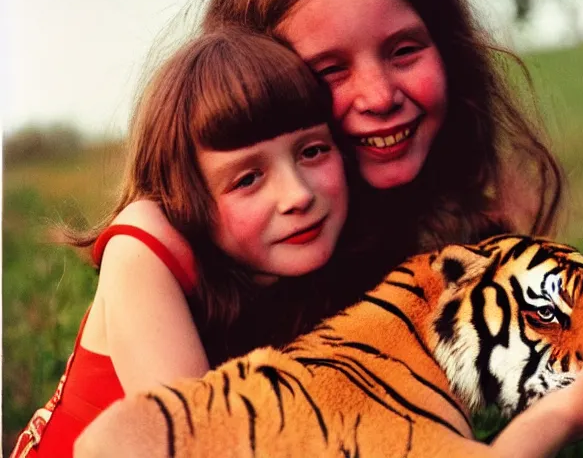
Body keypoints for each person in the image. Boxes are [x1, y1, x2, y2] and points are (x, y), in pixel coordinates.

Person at [200, 0, 583, 436]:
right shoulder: (183, 248)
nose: (380, 96)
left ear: (450, 53)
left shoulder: (457, 239)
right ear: (251, 88)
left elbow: (558, 329)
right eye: (329, 71)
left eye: (404, 51)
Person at [10, 28, 351, 458]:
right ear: (186, 198)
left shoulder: (301, 268)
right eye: (247, 179)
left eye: (313, 151)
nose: (298, 194)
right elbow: (198, 447)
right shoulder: (143, 240)